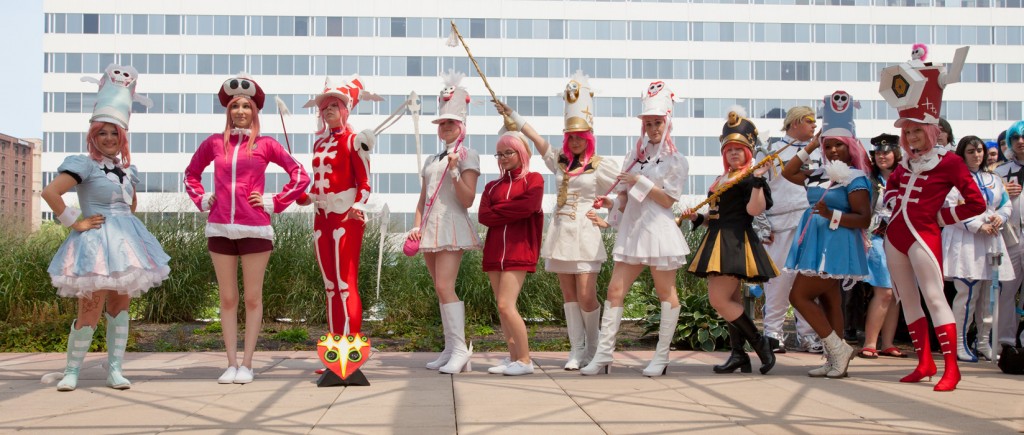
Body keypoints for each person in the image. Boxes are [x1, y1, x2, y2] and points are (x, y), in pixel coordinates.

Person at [42, 64, 170, 391]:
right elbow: (50, 193)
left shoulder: (129, 170)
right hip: (95, 244)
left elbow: (131, 205)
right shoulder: (82, 163)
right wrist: (77, 222)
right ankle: (72, 371)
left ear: (122, 137)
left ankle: (115, 370)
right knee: (90, 307)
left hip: (126, 246)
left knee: (120, 307)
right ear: (93, 135)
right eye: (103, 132)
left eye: (115, 133)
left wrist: (124, 215)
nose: (109, 138)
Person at [184, 74, 310, 384]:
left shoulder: (266, 144)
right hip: (219, 230)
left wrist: (274, 201)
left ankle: (248, 363)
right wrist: (202, 199)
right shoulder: (214, 143)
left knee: (253, 299)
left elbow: (300, 175)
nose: (241, 110)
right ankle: (230, 363)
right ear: (228, 110)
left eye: (246, 106)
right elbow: (191, 174)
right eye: (235, 106)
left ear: (255, 111)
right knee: (227, 298)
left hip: (255, 228)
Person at [494, 72, 618, 371]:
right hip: (561, 233)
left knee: (587, 294)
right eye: (570, 136)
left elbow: (624, 194)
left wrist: (609, 217)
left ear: (588, 137)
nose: (574, 141)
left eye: (580, 136)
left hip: (586, 234)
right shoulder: (560, 161)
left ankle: (595, 351)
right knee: (569, 295)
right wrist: (512, 114)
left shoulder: (601, 166)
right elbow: (537, 140)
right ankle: (576, 351)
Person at [879, 50, 985, 391]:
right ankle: (924, 362)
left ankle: (951, 368)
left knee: (935, 297)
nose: (910, 139)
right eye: (906, 133)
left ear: (931, 130)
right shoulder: (904, 164)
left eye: (916, 132)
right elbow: (892, 186)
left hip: (925, 236)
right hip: (895, 236)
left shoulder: (950, 162)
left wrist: (941, 217)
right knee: (907, 299)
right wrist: (893, 200)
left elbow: (977, 202)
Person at [581, 80, 690, 377]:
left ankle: (662, 357)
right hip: (633, 230)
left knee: (665, 292)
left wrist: (638, 183)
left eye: (658, 122)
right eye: (649, 123)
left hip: (659, 231)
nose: (653, 128)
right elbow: (627, 197)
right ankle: (603, 356)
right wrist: (611, 203)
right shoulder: (635, 156)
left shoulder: (676, 160)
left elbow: (668, 200)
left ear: (667, 122)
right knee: (615, 290)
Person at [781, 91, 873, 379]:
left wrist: (829, 214)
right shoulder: (819, 172)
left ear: (850, 147)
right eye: (828, 145)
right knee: (830, 299)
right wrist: (810, 145)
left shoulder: (856, 177)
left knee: (799, 296)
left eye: (838, 146)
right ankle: (835, 359)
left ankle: (838, 349)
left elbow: (863, 218)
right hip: (815, 241)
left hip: (836, 242)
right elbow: (787, 171)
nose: (833, 150)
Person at [296, 75, 379, 374]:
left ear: (345, 108)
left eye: (334, 105)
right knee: (330, 287)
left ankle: (351, 353)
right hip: (321, 217)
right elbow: (316, 185)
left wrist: (357, 206)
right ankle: (334, 353)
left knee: (345, 285)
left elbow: (365, 184)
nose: (327, 109)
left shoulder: (355, 140)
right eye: (324, 106)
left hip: (346, 218)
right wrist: (304, 197)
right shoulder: (320, 142)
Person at [686, 108, 779, 375]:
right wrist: (697, 217)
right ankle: (739, 355)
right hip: (717, 239)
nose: (733, 153)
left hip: (736, 241)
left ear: (748, 152)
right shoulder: (720, 180)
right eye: (729, 149)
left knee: (719, 300)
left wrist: (759, 181)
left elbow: (753, 211)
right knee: (731, 299)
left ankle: (761, 344)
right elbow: (715, 217)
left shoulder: (750, 177)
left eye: (739, 149)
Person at [406, 71, 481, 374]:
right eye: (442, 123)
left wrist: (454, 171)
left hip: (452, 224)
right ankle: (450, 347)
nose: (446, 127)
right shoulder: (430, 159)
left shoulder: (468, 155)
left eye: (451, 122)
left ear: (461, 125)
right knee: (439, 289)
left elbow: (467, 199)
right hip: (429, 228)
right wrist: (415, 225)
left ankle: (461, 348)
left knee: (444, 285)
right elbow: (423, 197)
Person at [477, 128, 545, 376]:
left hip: (520, 249)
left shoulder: (534, 179)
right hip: (495, 251)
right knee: (501, 306)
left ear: (522, 152)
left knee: (507, 305)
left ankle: (525, 361)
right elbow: (484, 216)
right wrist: (511, 209)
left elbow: (530, 206)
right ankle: (514, 357)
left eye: (509, 152)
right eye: (499, 154)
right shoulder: (492, 185)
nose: (503, 157)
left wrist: (501, 210)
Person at [756, 106, 823, 354]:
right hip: (779, 225)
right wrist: (762, 224)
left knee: (807, 280)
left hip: (810, 223)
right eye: (809, 121)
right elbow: (758, 189)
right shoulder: (771, 152)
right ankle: (773, 332)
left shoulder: (821, 152)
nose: (814, 126)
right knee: (778, 280)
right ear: (794, 122)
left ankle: (808, 334)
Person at [943, 136, 1014, 362]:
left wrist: (999, 219)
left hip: (992, 239)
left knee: (990, 293)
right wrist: (977, 225)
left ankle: (983, 342)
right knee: (967, 294)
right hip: (966, 241)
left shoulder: (993, 178)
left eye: (980, 150)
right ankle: (958, 343)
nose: (977, 155)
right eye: (972, 151)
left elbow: (1005, 204)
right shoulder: (954, 179)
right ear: (962, 153)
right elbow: (949, 209)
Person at [859, 134, 905, 360]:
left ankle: (887, 342)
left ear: (896, 154)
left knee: (896, 292)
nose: (882, 156)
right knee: (884, 291)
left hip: (902, 238)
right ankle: (870, 342)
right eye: (877, 153)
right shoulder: (869, 180)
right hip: (876, 236)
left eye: (886, 152)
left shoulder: (906, 178)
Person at [995, 121, 1024, 357]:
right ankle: (1005, 341)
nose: (1021, 142)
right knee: (1006, 290)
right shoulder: (1000, 172)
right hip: (1010, 237)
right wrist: (1001, 190)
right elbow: (987, 202)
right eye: (1016, 138)